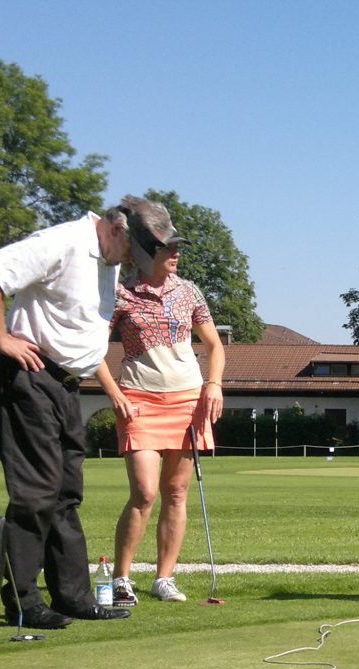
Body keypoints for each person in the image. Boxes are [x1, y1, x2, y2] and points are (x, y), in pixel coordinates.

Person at [0, 204, 138, 628]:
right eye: (133, 249)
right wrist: (1, 338)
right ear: (118, 229)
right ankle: (23, 601)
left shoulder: (108, 258)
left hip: (66, 385)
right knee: (36, 494)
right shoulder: (63, 241)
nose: (133, 260)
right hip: (29, 375)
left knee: (66, 494)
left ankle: (72, 596)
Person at [105, 197, 227, 605]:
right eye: (168, 247)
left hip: (188, 400)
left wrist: (214, 384)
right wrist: (113, 392)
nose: (176, 253)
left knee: (176, 493)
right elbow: (88, 349)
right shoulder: (121, 294)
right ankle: (122, 578)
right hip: (138, 400)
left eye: (177, 247)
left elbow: (214, 345)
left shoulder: (189, 293)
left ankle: (164, 578)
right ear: (145, 252)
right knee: (144, 493)